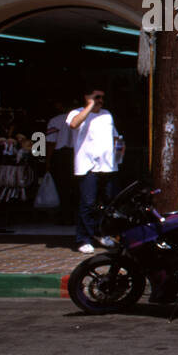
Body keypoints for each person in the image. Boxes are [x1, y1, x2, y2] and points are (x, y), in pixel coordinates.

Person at [68, 88, 118, 253]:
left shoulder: (107, 114)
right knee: (87, 203)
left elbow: (115, 136)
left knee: (107, 203)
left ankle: (100, 233)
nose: (100, 100)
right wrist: (89, 105)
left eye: (102, 97)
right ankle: (83, 238)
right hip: (87, 166)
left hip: (107, 165)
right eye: (97, 97)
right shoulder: (76, 113)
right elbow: (74, 124)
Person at [45, 99, 75, 223]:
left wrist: (48, 161)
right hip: (76, 155)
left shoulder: (55, 120)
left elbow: (51, 142)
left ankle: (65, 215)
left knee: (63, 187)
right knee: (75, 186)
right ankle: (73, 215)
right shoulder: (82, 119)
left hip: (61, 155)